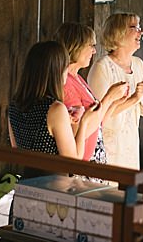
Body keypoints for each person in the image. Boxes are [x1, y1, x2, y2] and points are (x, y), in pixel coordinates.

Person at [7, 41, 96, 178]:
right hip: (53, 189)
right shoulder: (54, 109)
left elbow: (17, 149)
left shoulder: (14, 105)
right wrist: (84, 122)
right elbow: (74, 163)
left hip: (26, 185)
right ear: (58, 70)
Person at [54, 22, 129, 166]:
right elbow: (78, 133)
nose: (94, 51)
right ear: (75, 46)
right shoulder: (66, 85)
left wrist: (115, 103)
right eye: (91, 46)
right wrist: (109, 97)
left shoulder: (77, 77)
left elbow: (97, 124)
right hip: (82, 163)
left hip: (93, 157)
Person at [88, 13, 143, 170]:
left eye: (139, 27)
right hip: (109, 147)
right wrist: (135, 98)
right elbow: (99, 116)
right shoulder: (102, 67)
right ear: (118, 33)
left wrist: (142, 98)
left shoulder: (138, 65)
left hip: (131, 144)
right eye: (134, 27)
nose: (140, 32)